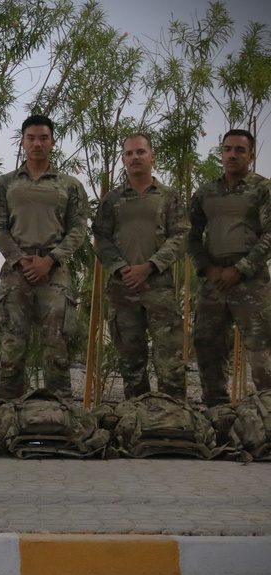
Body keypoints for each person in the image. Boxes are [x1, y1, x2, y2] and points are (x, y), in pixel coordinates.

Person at [0, 114, 88, 403]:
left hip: (54, 273)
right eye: (31, 138)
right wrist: (20, 259)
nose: (37, 143)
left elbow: (78, 228)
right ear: (23, 142)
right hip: (16, 273)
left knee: (56, 347)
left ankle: (60, 413)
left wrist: (51, 259)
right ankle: (5, 413)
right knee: (12, 347)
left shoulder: (70, 185)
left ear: (53, 142)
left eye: (43, 138)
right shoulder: (4, 185)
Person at [92, 133, 187, 400]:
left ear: (152, 156)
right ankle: (137, 419)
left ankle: (174, 422)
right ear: (123, 159)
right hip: (123, 290)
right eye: (130, 153)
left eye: (141, 152)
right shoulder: (112, 200)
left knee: (170, 363)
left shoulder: (169, 198)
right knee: (131, 364)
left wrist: (150, 266)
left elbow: (180, 235)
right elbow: (101, 237)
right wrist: (123, 269)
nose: (135, 157)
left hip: (160, 289)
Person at [187, 129, 271, 407]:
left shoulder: (263, 189)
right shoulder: (206, 192)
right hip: (214, 281)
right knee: (206, 344)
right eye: (227, 149)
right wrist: (207, 269)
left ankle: (266, 418)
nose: (232, 155)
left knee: (261, 351)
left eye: (239, 150)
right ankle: (217, 414)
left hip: (251, 282)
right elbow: (189, 234)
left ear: (251, 155)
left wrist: (242, 268)